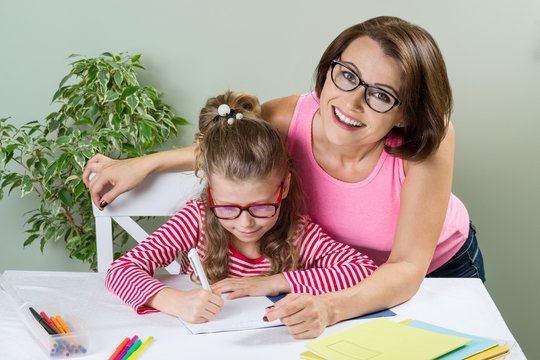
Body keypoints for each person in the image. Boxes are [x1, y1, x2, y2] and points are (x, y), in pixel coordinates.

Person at [87, 16, 485, 338]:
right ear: (329, 68)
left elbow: (404, 270)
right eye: (346, 75)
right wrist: (148, 163)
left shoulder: (429, 140)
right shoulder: (284, 118)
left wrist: (309, 298)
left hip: (432, 274)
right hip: (326, 277)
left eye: (381, 95)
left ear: (406, 112)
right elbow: (236, 149)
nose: (352, 102)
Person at [105, 91, 377, 324]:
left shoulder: (297, 231)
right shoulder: (196, 219)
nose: (245, 224)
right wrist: (176, 303)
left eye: (261, 207)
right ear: (210, 191)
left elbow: (362, 270)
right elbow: (120, 271)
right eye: (227, 208)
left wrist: (273, 282)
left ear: (283, 187)